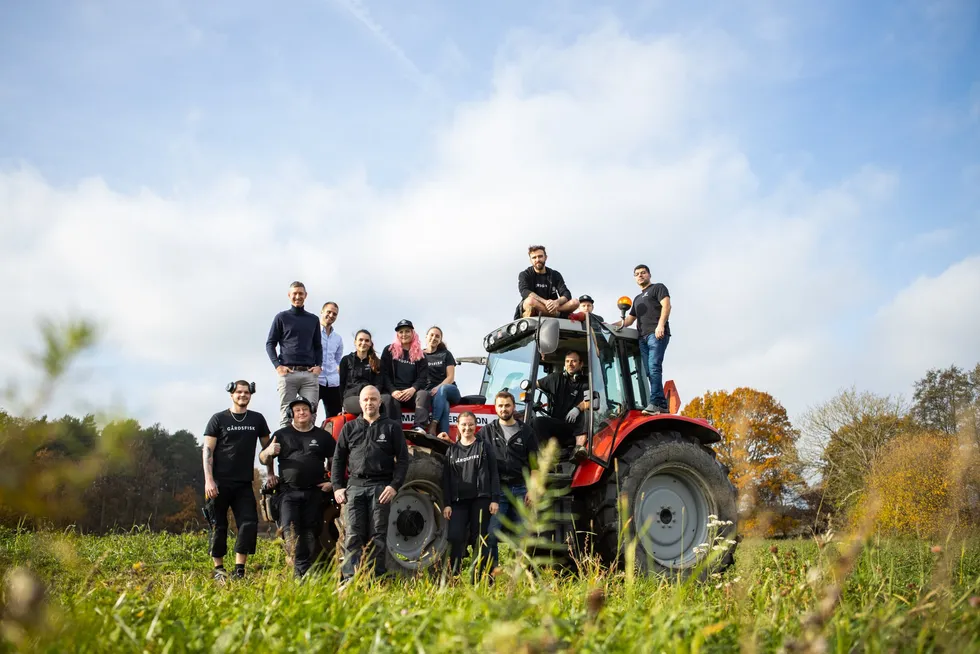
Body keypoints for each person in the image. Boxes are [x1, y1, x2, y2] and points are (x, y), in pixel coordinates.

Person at [332, 385, 410, 586]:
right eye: (366, 400)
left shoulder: (392, 427)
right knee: (353, 534)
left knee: (377, 535)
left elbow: (402, 460)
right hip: (355, 487)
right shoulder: (349, 428)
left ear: (380, 402)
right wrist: (337, 487)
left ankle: (375, 579)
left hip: (380, 487)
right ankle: (350, 578)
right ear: (360, 403)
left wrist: (394, 486)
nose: (369, 403)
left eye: (373, 399)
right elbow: (338, 459)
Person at [202, 380, 275, 580]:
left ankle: (239, 569)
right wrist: (209, 480)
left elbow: (267, 450)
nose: (243, 395)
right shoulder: (218, 419)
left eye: (246, 393)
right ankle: (219, 569)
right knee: (218, 525)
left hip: (244, 483)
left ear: (251, 394)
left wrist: (269, 473)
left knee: (248, 523)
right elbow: (208, 451)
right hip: (219, 482)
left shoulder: (257, 419)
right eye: (239, 392)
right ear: (231, 394)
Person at [259, 395, 335, 578]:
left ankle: (303, 571)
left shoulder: (322, 436)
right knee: (290, 529)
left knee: (310, 530)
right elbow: (263, 458)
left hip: (314, 491)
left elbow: (335, 460)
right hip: (288, 492)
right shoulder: (281, 434)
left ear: (311, 413)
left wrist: (332, 481)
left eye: (305, 409)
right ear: (291, 414)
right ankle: (300, 571)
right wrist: (269, 456)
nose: (301, 413)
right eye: (297, 410)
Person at [478, 390, 539, 571]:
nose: (504, 409)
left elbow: (535, 466)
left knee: (523, 535)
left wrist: (532, 490)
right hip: (498, 492)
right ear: (495, 408)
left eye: (507, 405)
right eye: (500, 406)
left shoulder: (526, 432)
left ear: (513, 407)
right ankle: (492, 574)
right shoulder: (487, 432)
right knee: (491, 534)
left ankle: (520, 576)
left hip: (521, 490)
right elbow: (469, 445)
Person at [441, 412, 501, 579]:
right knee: (455, 537)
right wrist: (447, 503)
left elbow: (494, 474)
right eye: (464, 425)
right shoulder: (452, 451)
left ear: (476, 426)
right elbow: (446, 479)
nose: (467, 428)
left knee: (480, 539)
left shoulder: (484, 447)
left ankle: (483, 578)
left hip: (481, 500)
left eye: (470, 424)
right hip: (458, 502)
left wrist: (494, 499)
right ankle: (454, 576)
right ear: (457, 427)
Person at [612, 265, 671, 415]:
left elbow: (667, 306)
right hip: (642, 338)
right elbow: (629, 321)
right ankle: (662, 405)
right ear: (634, 278)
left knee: (654, 366)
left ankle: (655, 402)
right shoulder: (637, 299)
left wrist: (660, 326)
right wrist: (610, 326)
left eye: (643, 273)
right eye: (637, 274)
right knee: (649, 371)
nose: (640, 276)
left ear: (649, 274)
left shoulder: (658, 288)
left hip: (656, 334)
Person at [266, 281, 323, 427]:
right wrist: (278, 366)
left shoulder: (313, 319)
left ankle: (308, 449)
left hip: (309, 374)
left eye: (301, 294)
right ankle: (286, 448)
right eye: (295, 294)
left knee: (310, 413)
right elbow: (270, 344)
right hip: (288, 373)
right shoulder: (281, 317)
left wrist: (319, 366)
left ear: (306, 295)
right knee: (287, 415)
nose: (298, 297)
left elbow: (317, 346)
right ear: (289, 295)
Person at [532, 350, 591, 461]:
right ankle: (547, 456)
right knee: (537, 422)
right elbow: (535, 384)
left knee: (586, 413)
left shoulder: (587, 382)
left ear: (581, 364)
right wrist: (525, 386)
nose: (570, 364)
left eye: (574, 361)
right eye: (567, 361)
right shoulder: (555, 378)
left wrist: (577, 409)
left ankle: (578, 450)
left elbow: (590, 400)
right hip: (559, 424)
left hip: (575, 426)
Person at [380, 319, 430, 434]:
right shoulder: (389, 350)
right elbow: (384, 374)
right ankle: (395, 430)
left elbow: (422, 378)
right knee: (388, 400)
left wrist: (413, 389)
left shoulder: (421, 355)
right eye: (401, 332)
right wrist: (393, 391)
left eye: (407, 331)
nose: (404, 334)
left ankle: (419, 427)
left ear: (413, 333)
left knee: (424, 394)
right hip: (394, 393)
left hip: (411, 393)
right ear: (397, 334)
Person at [338, 329, 398, 417]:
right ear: (355, 342)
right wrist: (341, 407)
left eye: (366, 340)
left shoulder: (377, 362)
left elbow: (379, 384)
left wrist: (371, 394)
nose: (363, 343)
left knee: (387, 399)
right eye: (361, 340)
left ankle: (390, 429)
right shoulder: (346, 360)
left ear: (370, 344)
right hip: (352, 397)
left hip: (372, 395)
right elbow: (341, 385)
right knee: (370, 405)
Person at [515, 245, 580, 319]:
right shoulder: (525, 274)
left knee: (575, 302)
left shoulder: (555, 274)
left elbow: (566, 294)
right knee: (530, 301)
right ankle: (560, 315)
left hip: (553, 305)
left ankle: (554, 311)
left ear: (545, 257)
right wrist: (545, 302)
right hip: (534, 305)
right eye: (534, 257)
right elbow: (524, 291)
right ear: (530, 260)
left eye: (540, 256)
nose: (537, 259)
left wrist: (556, 302)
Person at [424, 326, 461, 435]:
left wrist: (438, 387)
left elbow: (450, 377)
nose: (434, 338)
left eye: (437, 336)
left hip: (449, 389)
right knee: (444, 404)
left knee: (443, 390)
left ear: (440, 340)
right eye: (431, 335)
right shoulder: (420, 355)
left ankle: (433, 425)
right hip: (432, 393)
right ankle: (444, 435)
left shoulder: (446, 354)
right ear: (426, 337)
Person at [317, 301, 344, 419]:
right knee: (309, 413)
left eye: (334, 314)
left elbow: (337, 360)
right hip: (316, 380)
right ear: (322, 312)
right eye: (329, 312)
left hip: (333, 382)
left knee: (335, 417)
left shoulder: (337, 338)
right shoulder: (313, 332)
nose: (331, 315)